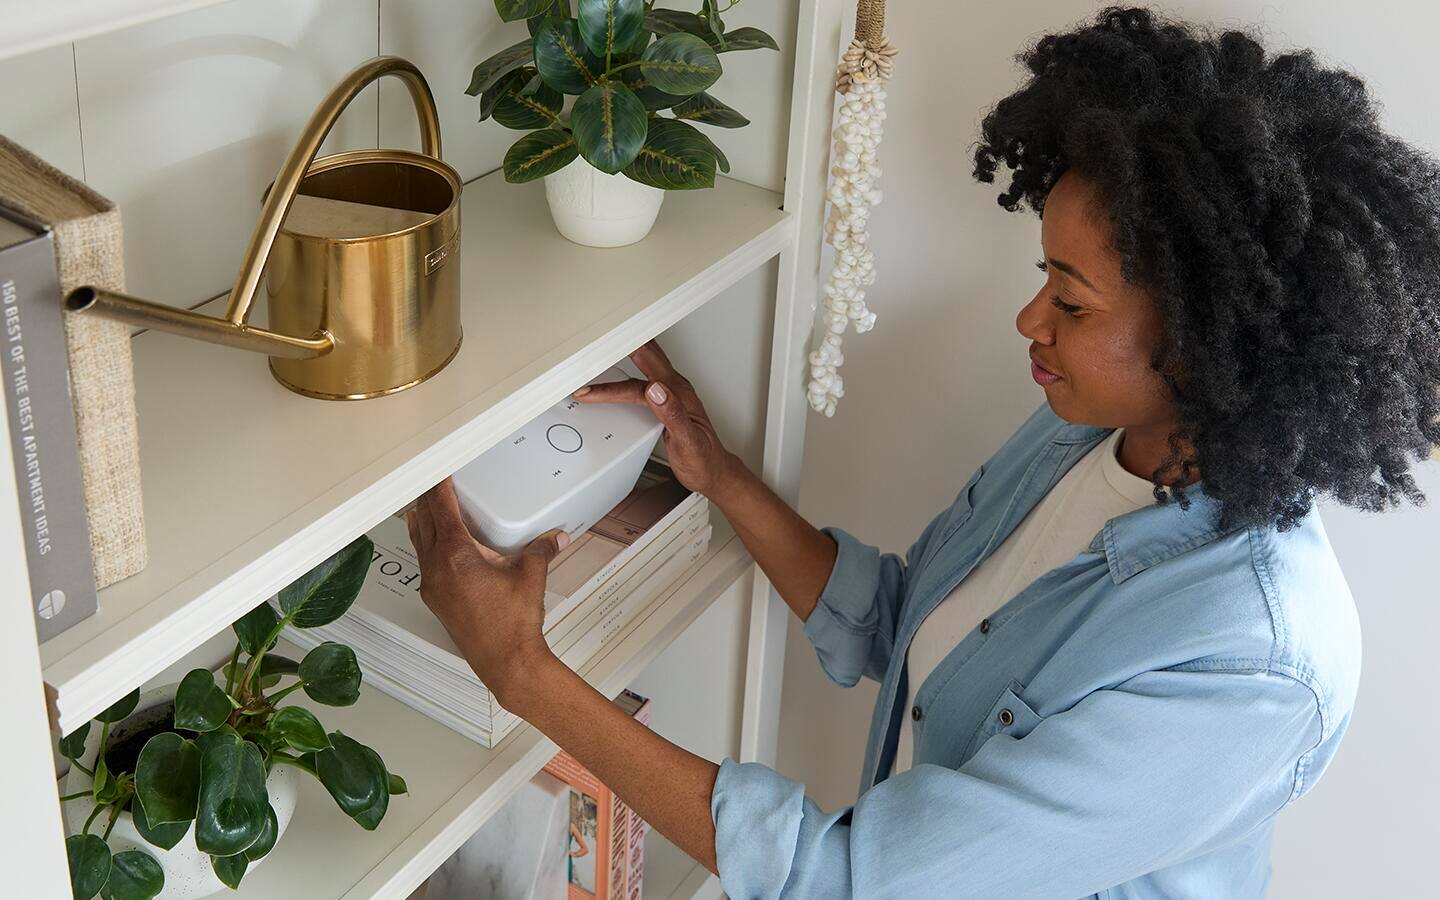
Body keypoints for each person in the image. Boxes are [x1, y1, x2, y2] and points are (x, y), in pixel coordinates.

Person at [405, 7, 1440, 898]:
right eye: (1046, 278)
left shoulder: (1247, 665)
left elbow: (844, 878)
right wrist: (713, 471)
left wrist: (522, 669)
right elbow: (903, 625)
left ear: (1212, 338)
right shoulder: (1092, 434)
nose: (1029, 321)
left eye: (1071, 302)